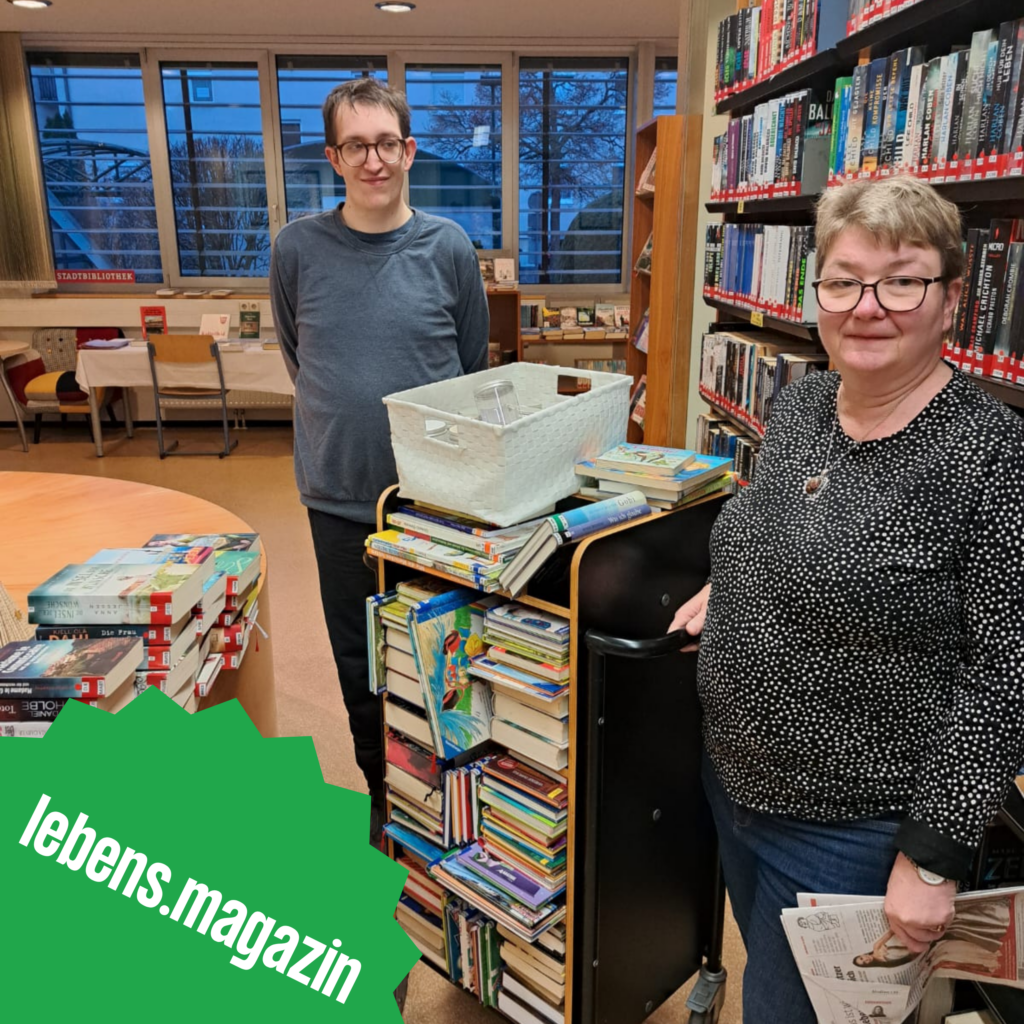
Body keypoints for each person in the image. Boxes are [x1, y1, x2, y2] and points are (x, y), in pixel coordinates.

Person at [669, 175, 1024, 1023]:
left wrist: (933, 858)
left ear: (950, 300)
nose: (867, 305)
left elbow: (1005, 670)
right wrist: (736, 580)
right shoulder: (801, 405)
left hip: (852, 826)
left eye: (900, 280)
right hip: (739, 780)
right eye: (842, 278)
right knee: (771, 975)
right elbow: (769, 515)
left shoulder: (992, 455)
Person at [270, 79, 489, 1011]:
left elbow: (472, 369)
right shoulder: (295, 251)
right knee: (360, 667)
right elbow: (295, 352)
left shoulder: (448, 248)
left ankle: (453, 813)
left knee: (444, 664)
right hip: (333, 504)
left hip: (436, 508)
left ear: (409, 150)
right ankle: (382, 810)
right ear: (332, 159)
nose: (372, 157)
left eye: (387, 142)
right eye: (354, 145)